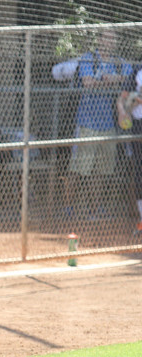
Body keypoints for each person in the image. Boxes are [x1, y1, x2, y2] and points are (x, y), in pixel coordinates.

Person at [55, 30, 133, 220]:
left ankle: (95, 209)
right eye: (107, 37)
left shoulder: (120, 63)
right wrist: (111, 82)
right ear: (99, 40)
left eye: (114, 38)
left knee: (101, 170)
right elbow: (88, 82)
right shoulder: (89, 59)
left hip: (110, 123)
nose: (111, 41)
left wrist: (113, 80)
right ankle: (67, 208)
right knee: (78, 168)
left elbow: (130, 83)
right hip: (87, 122)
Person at [117, 67, 142, 233]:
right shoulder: (135, 74)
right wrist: (122, 111)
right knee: (140, 172)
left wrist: (137, 100)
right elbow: (121, 98)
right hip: (139, 127)